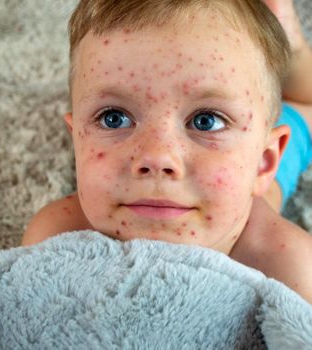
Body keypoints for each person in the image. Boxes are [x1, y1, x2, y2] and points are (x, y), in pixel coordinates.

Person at [22, 0, 312, 303]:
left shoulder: (288, 269)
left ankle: (293, 47)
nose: (157, 157)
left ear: (265, 163)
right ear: (77, 141)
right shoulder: (56, 239)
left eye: (206, 121)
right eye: (114, 117)